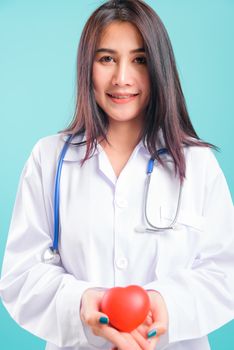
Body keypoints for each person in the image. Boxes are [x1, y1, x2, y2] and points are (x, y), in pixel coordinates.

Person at [0, 0, 233, 349]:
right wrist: (82, 302)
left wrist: (164, 303)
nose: (122, 78)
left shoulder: (197, 163)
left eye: (139, 60)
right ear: (87, 68)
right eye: (106, 59)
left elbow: (225, 273)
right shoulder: (48, 159)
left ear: (159, 68)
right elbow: (20, 277)